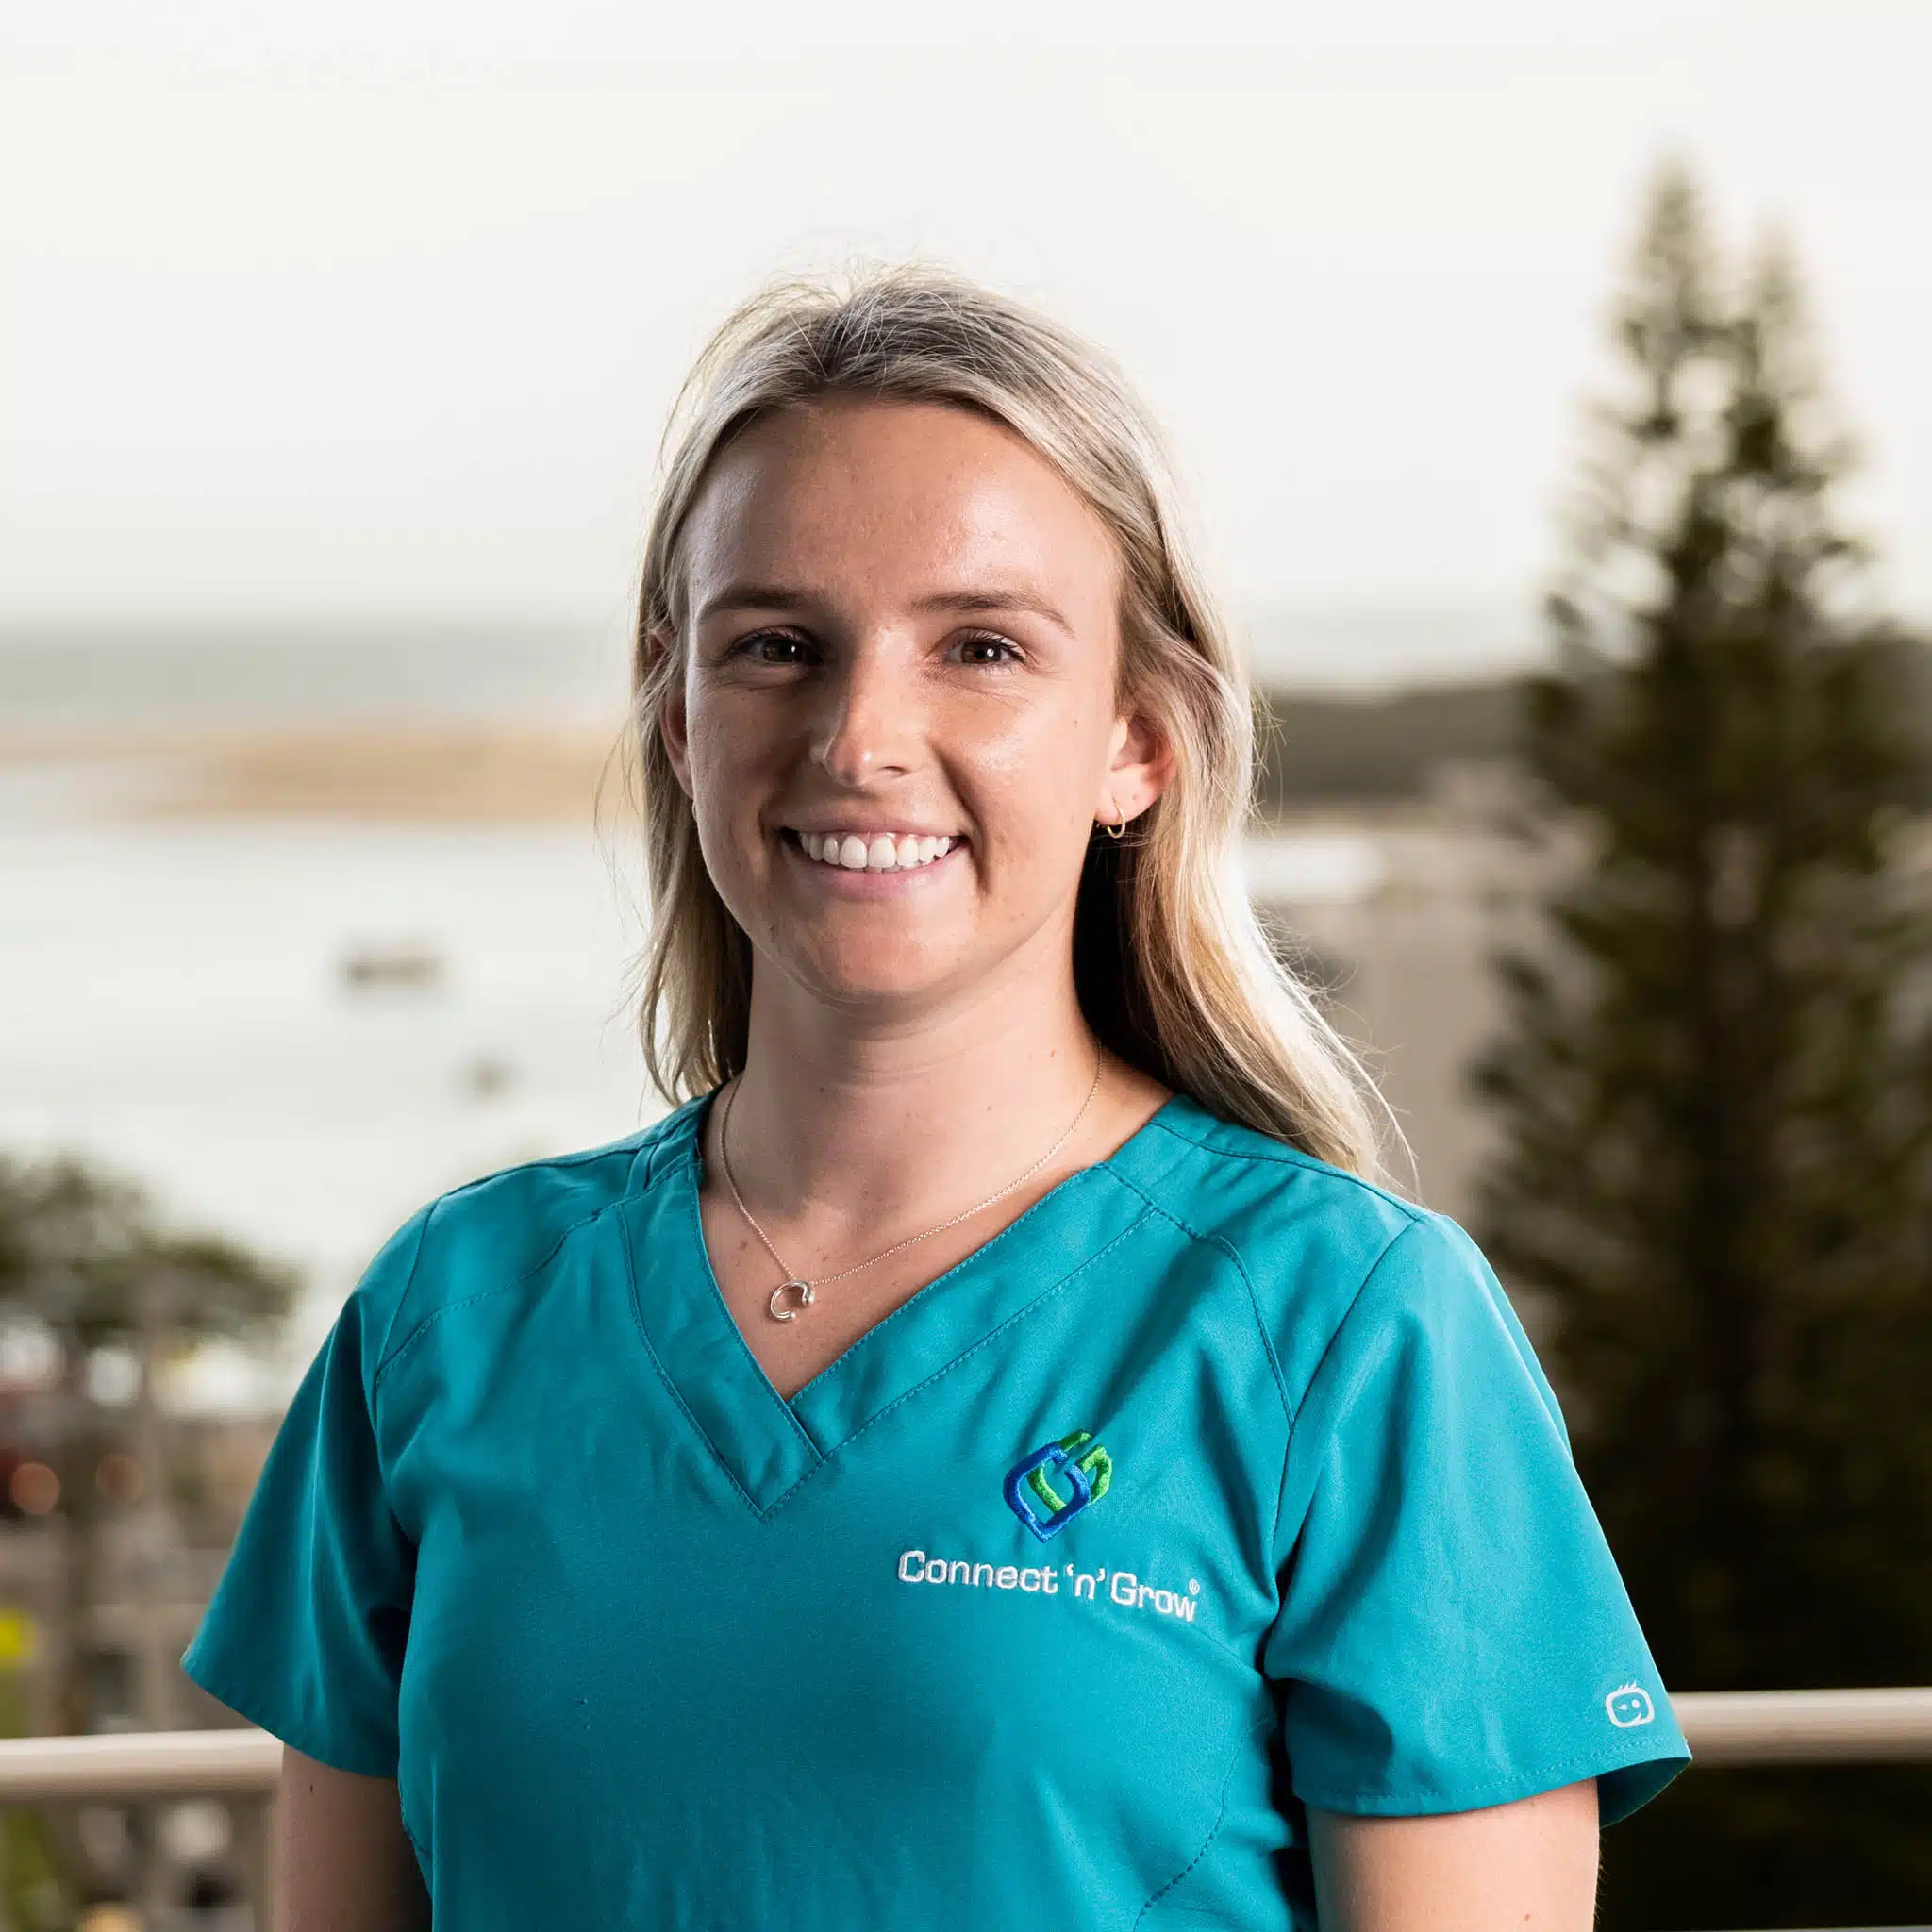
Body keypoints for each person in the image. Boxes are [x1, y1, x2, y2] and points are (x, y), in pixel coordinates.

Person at [181, 264, 1690, 1930]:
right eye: (776, 646)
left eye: (980, 647)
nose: (859, 737)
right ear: (676, 713)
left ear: (1137, 741)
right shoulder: (445, 1317)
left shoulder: (1347, 1328)